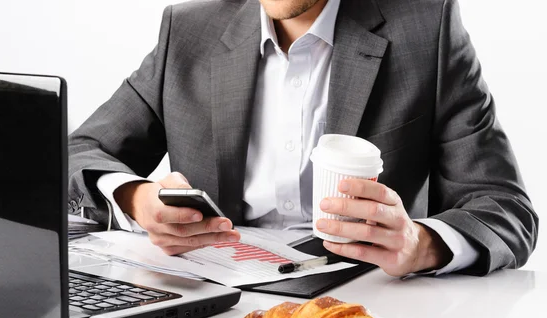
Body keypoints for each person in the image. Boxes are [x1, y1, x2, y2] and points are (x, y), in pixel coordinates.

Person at [68, 0, 538, 278]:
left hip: (368, 310)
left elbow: (505, 210)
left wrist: (419, 245)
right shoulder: (190, 29)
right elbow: (77, 151)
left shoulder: (426, 28)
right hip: (208, 306)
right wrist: (134, 197)